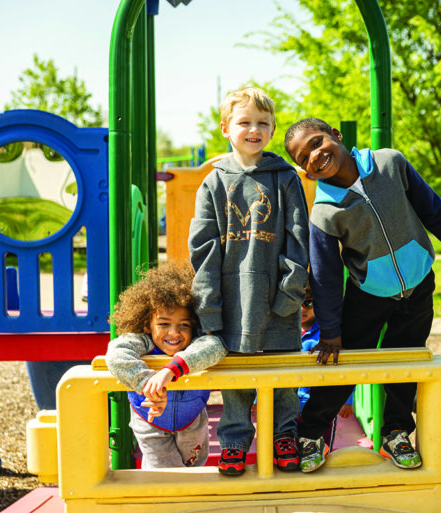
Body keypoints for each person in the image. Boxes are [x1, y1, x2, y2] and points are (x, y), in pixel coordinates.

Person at [284, 118, 441, 473]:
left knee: (406, 363)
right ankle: (310, 433)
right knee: (344, 366)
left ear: (336, 137)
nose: (315, 155)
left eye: (317, 142)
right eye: (304, 157)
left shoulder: (390, 162)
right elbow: (325, 278)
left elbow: (429, 205)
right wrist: (331, 330)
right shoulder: (325, 213)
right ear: (306, 172)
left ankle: (396, 432)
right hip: (368, 296)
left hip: (419, 284)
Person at [188, 87, 309, 476]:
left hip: (277, 300)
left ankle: (283, 436)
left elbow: (298, 238)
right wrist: (208, 308)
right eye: (245, 122)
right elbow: (203, 249)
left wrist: (290, 296)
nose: (253, 129)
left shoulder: (285, 179)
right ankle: (236, 443)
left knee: (284, 373)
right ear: (226, 128)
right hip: (233, 300)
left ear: (273, 129)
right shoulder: (213, 183)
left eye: (262, 123)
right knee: (235, 377)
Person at [105, 261, 226, 469]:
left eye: (184, 325)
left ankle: (189, 501)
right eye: (163, 324)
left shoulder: (197, 343)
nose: (173, 333)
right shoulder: (143, 341)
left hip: (192, 419)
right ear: (147, 324)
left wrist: (171, 369)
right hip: (149, 418)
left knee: (193, 471)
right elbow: (116, 354)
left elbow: (217, 345)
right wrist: (148, 384)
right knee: (164, 473)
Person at [298, 287, 353, 450]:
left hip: (322, 405)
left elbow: (343, 366)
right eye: (298, 303)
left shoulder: (328, 335)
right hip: (291, 405)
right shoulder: (283, 334)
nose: (302, 309)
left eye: (308, 303)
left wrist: (347, 400)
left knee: (322, 445)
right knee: (293, 445)